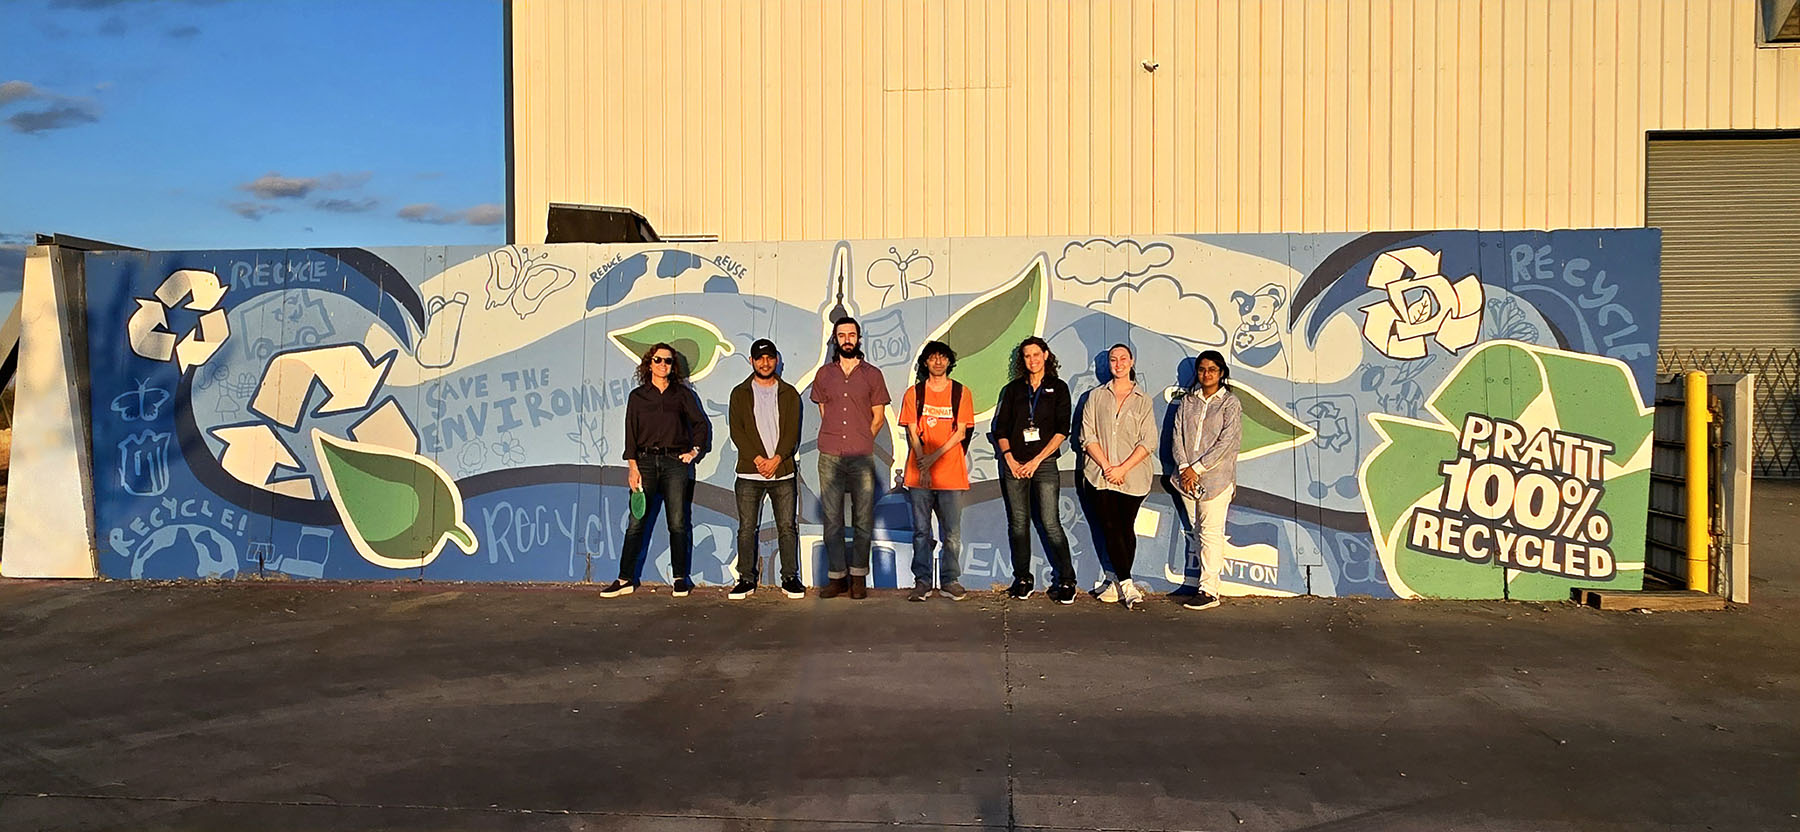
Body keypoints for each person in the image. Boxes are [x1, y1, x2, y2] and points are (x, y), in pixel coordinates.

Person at [600, 342, 710, 598]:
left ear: (673, 367)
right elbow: (631, 433)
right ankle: (624, 579)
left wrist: (693, 452)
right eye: (658, 360)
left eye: (668, 361)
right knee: (636, 523)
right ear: (649, 363)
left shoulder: (682, 395)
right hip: (645, 464)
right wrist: (632, 467)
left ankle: (680, 578)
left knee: (678, 523)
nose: (663, 365)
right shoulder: (637, 397)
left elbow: (701, 425)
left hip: (675, 465)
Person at [991, 336, 1077, 602]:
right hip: (1013, 465)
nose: (1032, 360)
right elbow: (1001, 429)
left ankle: (1066, 580)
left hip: (1045, 464)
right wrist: (1010, 459)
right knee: (1018, 524)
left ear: (1046, 355)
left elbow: (1063, 430)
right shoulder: (1014, 389)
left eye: (1036, 355)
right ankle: (1023, 578)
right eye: (1027, 356)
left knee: (1050, 522)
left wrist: (1037, 460)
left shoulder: (1058, 388)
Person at [810, 317, 890, 600]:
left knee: (863, 518)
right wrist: (838, 436)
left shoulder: (873, 375)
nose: (847, 339)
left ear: (858, 338)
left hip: (861, 456)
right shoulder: (824, 375)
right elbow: (823, 409)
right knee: (831, 519)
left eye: (851, 334)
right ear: (835, 339)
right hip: (830, 455)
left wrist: (860, 437)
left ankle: (858, 576)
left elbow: (878, 417)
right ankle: (837, 578)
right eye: (841, 334)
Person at [1081, 344, 1160, 610]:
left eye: (1123, 359)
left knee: (1125, 528)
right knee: (1110, 526)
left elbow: (1148, 441)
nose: (1118, 363)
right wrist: (1107, 466)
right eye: (1113, 359)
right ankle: (1127, 584)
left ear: (1132, 361)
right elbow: (1087, 435)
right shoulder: (1095, 396)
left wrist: (1122, 469)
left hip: (1133, 476)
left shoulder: (1143, 400)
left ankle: (1115, 580)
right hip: (1099, 475)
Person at [726, 338, 805, 600]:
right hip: (749, 473)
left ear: (777, 360)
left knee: (787, 527)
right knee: (747, 528)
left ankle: (790, 578)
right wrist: (759, 459)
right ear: (751, 361)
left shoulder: (790, 393)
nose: (765, 362)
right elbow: (737, 432)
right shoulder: (739, 393)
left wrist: (776, 459)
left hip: (782, 472)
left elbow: (792, 432)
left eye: (770, 357)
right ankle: (746, 579)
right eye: (759, 358)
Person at [898, 340, 975, 602]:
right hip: (919, 475)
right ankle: (922, 582)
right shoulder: (914, 394)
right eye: (933, 358)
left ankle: (949, 580)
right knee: (921, 532)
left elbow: (960, 432)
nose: (938, 362)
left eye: (943, 357)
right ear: (926, 362)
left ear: (950, 361)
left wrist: (933, 459)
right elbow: (911, 430)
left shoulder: (961, 393)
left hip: (950, 474)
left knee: (951, 532)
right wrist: (922, 461)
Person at [1170, 349, 1242, 611]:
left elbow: (1227, 442)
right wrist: (1185, 467)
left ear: (1221, 372)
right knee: (1196, 531)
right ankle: (1200, 581)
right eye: (1202, 369)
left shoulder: (1230, 403)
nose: (1206, 374)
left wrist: (1198, 468)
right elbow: (1177, 436)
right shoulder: (1188, 402)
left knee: (1211, 533)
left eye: (1212, 369)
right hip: (1186, 478)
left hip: (1216, 479)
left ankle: (1210, 590)